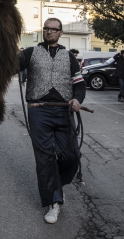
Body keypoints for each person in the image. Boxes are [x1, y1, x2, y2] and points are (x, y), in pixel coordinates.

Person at [19, 18, 86, 225]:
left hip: (65, 111)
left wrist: (77, 99)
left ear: (60, 32)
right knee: (45, 159)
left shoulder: (69, 57)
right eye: (46, 29)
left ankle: (57, 184)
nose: (49, 32)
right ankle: (54, 202)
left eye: (53, 29)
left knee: (71, 157)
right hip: (39, 111)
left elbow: (79, 84)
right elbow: (8, 66)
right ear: (43, 31)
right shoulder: (30, 53)